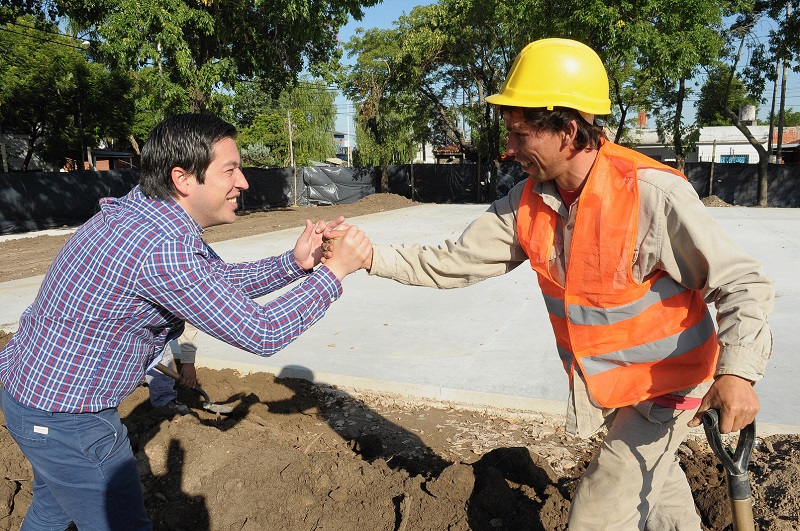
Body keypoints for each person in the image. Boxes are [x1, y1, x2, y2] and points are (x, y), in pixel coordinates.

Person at [325, 38, 774, 529]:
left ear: (568, 130)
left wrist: (738, 374)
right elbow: (455, 260)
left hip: (667, 384)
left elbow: (742, 282)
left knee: (597, 514)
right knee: (656, 490)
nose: (509, 149)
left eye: (520, 134)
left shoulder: (650, 193)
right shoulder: (527, 202)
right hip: (612, 387)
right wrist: (369, 256)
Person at [0, 112, 371, 530]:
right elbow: (262, 332)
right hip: (66, 418)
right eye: (230, 170)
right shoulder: (162, 247)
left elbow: (211, 282)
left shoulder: (143, 212)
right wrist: (333, 273)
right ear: (182, 178)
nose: (243, 182)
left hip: (32, 395)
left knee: (51, 512)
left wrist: (295, 263)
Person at [145, 325, 200, 414]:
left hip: (154, 331)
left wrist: (188, 362)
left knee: (160, 352)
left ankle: (164, 402)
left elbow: (188, 325)